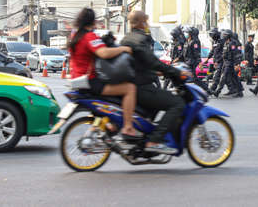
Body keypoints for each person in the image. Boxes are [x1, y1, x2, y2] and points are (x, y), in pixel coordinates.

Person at [121, 11, 190, 154]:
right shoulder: (141, 39)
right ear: (141, 23)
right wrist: (176, 73)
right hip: (142, 87)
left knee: (160, 100)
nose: (148, 25)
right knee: (178, 103)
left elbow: (139, 64)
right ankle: (154, 140)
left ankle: (145, 139)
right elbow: (153, 62)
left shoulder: (127, 38)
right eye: (146, 22)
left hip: (134, 84)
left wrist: (158, 72)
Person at [68, 8, 138, 139]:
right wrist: (123, 49)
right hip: (90, 81)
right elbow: (103, 53)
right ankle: (128, 127)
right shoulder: (89, 36)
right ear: (93, 21)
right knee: (130, 88)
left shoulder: (75, 35)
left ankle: (110, 124)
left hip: (77, 80)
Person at [182, 26, 210, 93]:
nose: (185, 34)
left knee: (193, 78)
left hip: (192, 62)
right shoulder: (187, 41)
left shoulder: (195, 42)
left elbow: (197, 53)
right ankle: (205, 88)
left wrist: (200, 63)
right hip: (187, 62)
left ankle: (207, 89)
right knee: (190, 78)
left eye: (187, 33)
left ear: (190, 34)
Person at [205, 28, 224, 92]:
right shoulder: (215, 42)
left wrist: (217, 61)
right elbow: (212, 51)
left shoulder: (221, 41)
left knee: (216, 76)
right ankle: (235, 89)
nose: (211, 36)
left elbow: (223, 53)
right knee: (210, 73)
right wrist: (208, 58)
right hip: (216, 61)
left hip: (221, 61)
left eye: (211, 35)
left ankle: (212, 89)